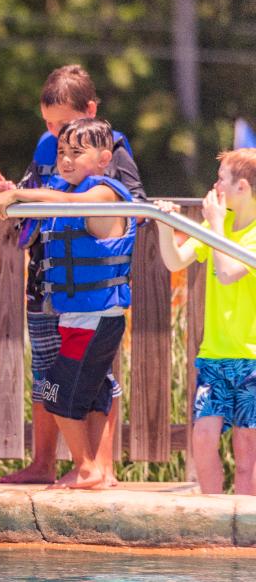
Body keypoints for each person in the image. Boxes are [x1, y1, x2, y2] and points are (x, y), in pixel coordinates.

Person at [0, 65, 146, 486]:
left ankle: (96, 468)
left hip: (95, 307)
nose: (63, 149)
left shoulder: (106, 178)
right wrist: (11, 192)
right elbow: (43, 196)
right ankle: (73, 466)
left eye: (69, 139)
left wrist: (22, 194)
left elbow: (120, 208)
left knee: (76, 386)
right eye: (55, 135)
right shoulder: (57, 159)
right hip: (57, 293)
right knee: (54, 382)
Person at [152, 149, 256, 494]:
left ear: (241, 187)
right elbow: (175, 261)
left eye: (221, 178)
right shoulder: (219, 226)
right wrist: (166, 226)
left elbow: (227, 274)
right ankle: (214, 512)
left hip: (251, 360)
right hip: (214, 356)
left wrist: (214, 225)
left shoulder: (247, 233)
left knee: (246, 452)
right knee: (203, 437)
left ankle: (244, 525)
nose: (215, 185)